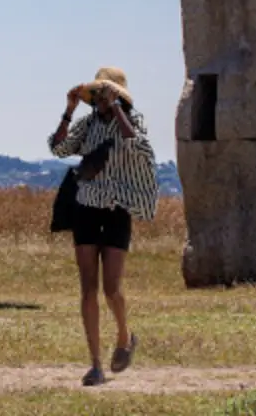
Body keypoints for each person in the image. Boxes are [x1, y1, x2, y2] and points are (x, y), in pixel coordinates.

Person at [49, 66, 158, 387]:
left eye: (106, 93)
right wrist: (69, 111)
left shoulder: (133, 122)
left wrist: (117, 110)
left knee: (112, 289)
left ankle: (124, 336)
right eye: (97, 94)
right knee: (88, 288)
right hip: (86, 207)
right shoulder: (88, 124)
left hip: (117, 210)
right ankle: (95, 364)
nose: (100, 99)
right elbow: (58, 148)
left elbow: (136, 145)